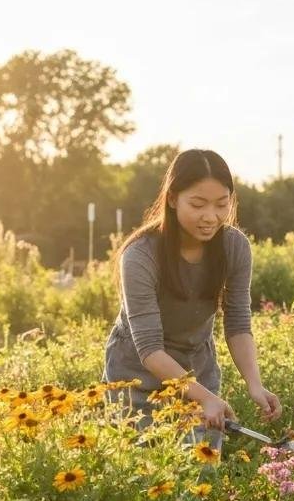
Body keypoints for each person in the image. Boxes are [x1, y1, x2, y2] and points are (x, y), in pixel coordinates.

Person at [104, 149, 282, 435]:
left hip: (197, 372)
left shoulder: (234, 247)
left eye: (222, 205)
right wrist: (206, 398)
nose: (211, 217)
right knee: (142, 474)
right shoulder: (140, 256)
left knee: (200, 472)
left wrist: (255, 384)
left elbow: (237, 322)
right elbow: (149, 348)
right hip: (135, 380)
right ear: (172, 198)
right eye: (198, 204)